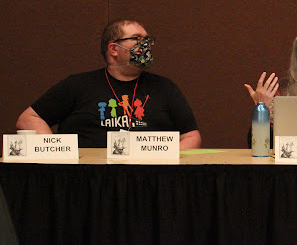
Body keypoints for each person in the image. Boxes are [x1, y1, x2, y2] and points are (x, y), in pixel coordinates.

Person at [16, 19, 201, 149]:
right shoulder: (78, 85)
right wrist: (55, 152)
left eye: (147, 40)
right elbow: (28, 119)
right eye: (137, 39)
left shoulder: (164, 88)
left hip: (148, 180)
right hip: (88, 181)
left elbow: (191, 137)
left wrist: (168, 158)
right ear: (114, 49)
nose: (145, 45)